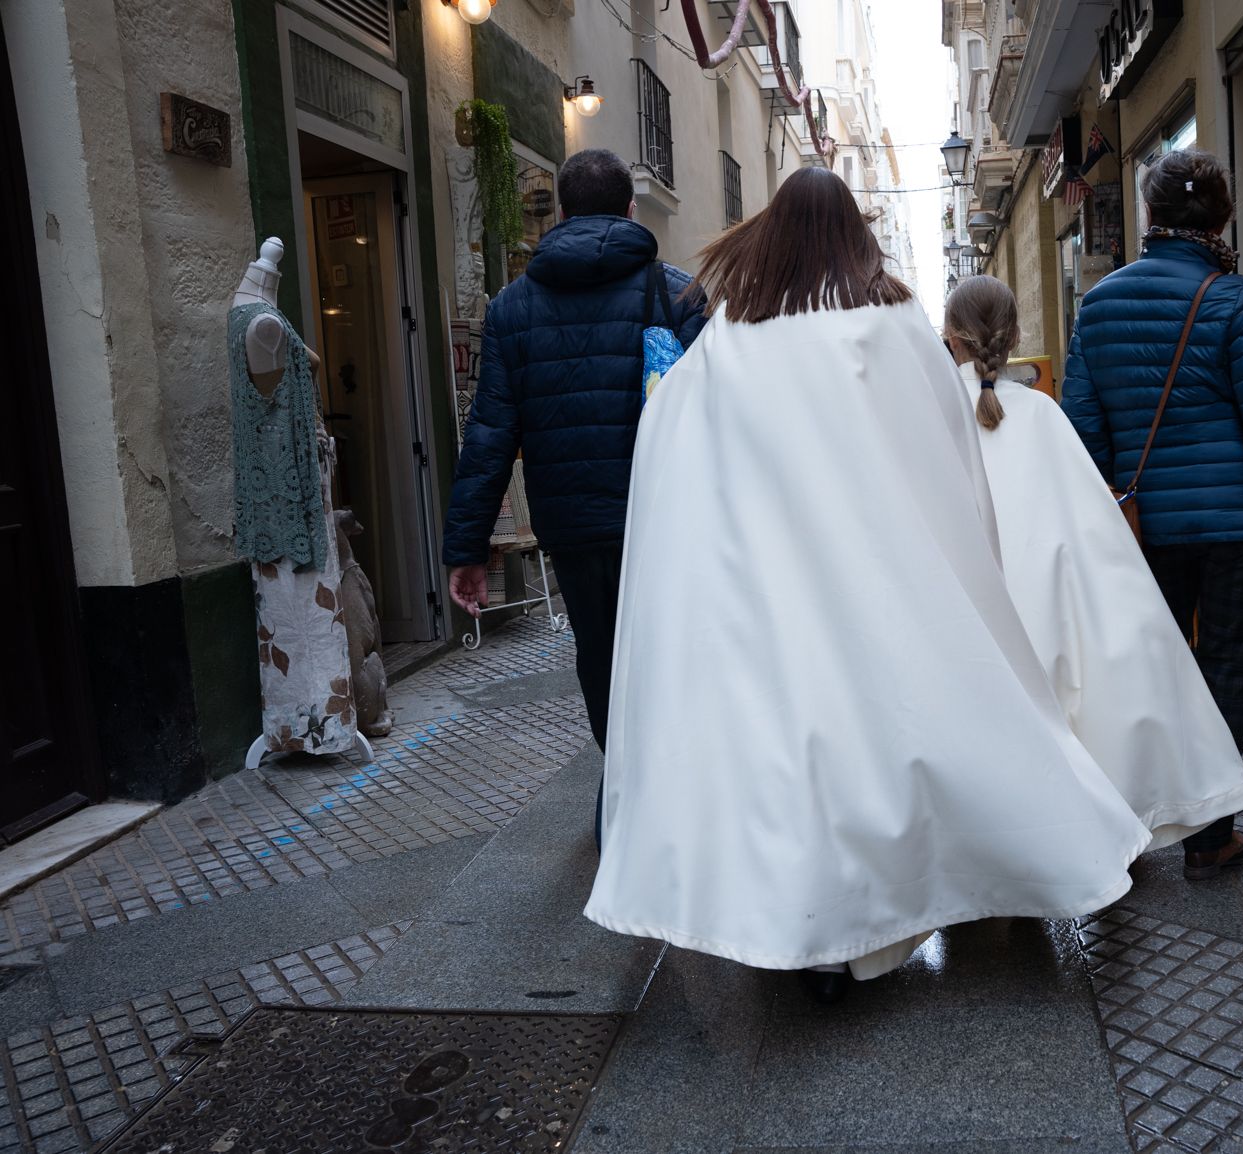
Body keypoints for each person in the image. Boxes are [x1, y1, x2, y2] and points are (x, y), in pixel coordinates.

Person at [583, 167, 1152, 1003]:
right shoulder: (893, 325)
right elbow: (950, 451)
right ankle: (906, 896)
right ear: (854, 234)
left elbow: (672, 444)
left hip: (767, 574)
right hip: (879, 563)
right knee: (885, 730)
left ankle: (817, 929)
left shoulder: (733, 335)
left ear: (768, 234)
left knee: (796, 741)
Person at [1062, 148, 1243, 879]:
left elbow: (1080, 427)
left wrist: (1112, 499)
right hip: (1241, 526)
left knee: (1146, 669)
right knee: (1226, 670)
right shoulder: (1236, 300)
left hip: (1144, 524)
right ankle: (1211, 838)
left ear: (1149, 216)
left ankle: (1133, 825)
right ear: (1221, 215)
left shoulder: (1100, 303)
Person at [942, 275, 1243, 859]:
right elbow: (1089, 524)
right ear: (1012, 336)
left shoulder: (931, 416)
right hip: (1046, 598)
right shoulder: (1040, 414)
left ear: (949, 336)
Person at [443, 149, 708, 763]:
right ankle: (671, 789)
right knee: (669, 650)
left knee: (598, 652)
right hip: (661, 515)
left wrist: (467, 549)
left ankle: (621, 781)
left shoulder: (512, 308)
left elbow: (488, 436)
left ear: (561, 212)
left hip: (573, 525)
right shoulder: (677, 295)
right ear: (630, 208)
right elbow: (717, 415)